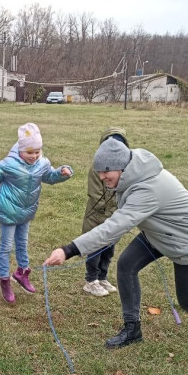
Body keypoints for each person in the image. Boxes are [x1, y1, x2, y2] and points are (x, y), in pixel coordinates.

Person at [44, 136, 188, 350]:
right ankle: (132, 329)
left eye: (106, 172)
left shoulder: (147, 188)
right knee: (126, 266)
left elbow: (114, 226)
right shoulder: (130, 173)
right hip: (159, 234)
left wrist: (69, 250)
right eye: (100, 172)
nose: (103, 178)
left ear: (122, 166)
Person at [0, 122, 73, 303]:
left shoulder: (43, 163)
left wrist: (62, 173)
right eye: (30, 152)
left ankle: (22, 273)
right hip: (8, 212)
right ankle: (4, 279)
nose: (34, 156)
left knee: (22, 244)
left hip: (27, 212)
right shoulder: (8, 164)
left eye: (37, 152)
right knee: (6, 247)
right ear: (20, 150)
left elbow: (50, 177)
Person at [80, 127, 128, 298]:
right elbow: (95, 194)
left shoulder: (124, 168)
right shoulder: (96, 168)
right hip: (97, 219)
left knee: (109, 250)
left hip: (114, 220)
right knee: (95, 250)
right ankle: (90, 281)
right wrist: (109, 213)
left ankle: (102, 277)